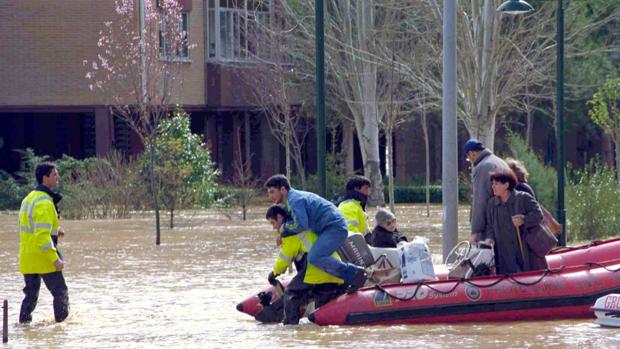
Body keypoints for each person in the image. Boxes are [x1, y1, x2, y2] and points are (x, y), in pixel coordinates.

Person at [265, 174, 367, 292]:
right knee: (316, 256)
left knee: (315, 257)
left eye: (272, 192)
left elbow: (301, 224)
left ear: (283, 189)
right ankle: (349, 277)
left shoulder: (295, 200)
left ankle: (355, 274)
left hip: (333, 227)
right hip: (329, 227)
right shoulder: (293, 199)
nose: (270, 196)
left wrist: (283, 230)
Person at [265, 205, 343, 325]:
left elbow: (284, 258)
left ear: (280, 217)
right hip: (333, 267)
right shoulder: (303, 225)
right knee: (322, 307)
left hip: (316, 268)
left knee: (291, 293)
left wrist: (274, 273)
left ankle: (290, 327)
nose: (273, 228)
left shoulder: (290, 232)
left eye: (272, 223)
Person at [18, 162, 69, 323]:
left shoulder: (29, 198)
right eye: (55, 175)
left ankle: (23, 326)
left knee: (30, 296)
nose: (58, 178)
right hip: (44, 257)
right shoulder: (45, 202)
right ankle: (61, 327)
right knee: (60, 292)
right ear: (45, 178)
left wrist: (56, 230)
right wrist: (55, 259)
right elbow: (41, 236)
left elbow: (32, 226)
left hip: (28, 258)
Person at [483, 168, 545, 274]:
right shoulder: (491, 203)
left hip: (524, 252)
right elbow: (490, 226)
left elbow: (539, 215)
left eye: (496, 184)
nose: (493, 186)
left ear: (506, 185)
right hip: (503, 255)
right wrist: (489, 238)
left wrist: (524, 220)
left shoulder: (523, 198)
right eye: (493, 183)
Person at [463, 138, 509, 244]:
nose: (469, 161)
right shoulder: (500, 161)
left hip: (492, 227)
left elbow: (480, 200)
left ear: (472, 153)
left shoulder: (483, 167)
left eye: (468, 158)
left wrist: (476, 231)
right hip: (507, 222)